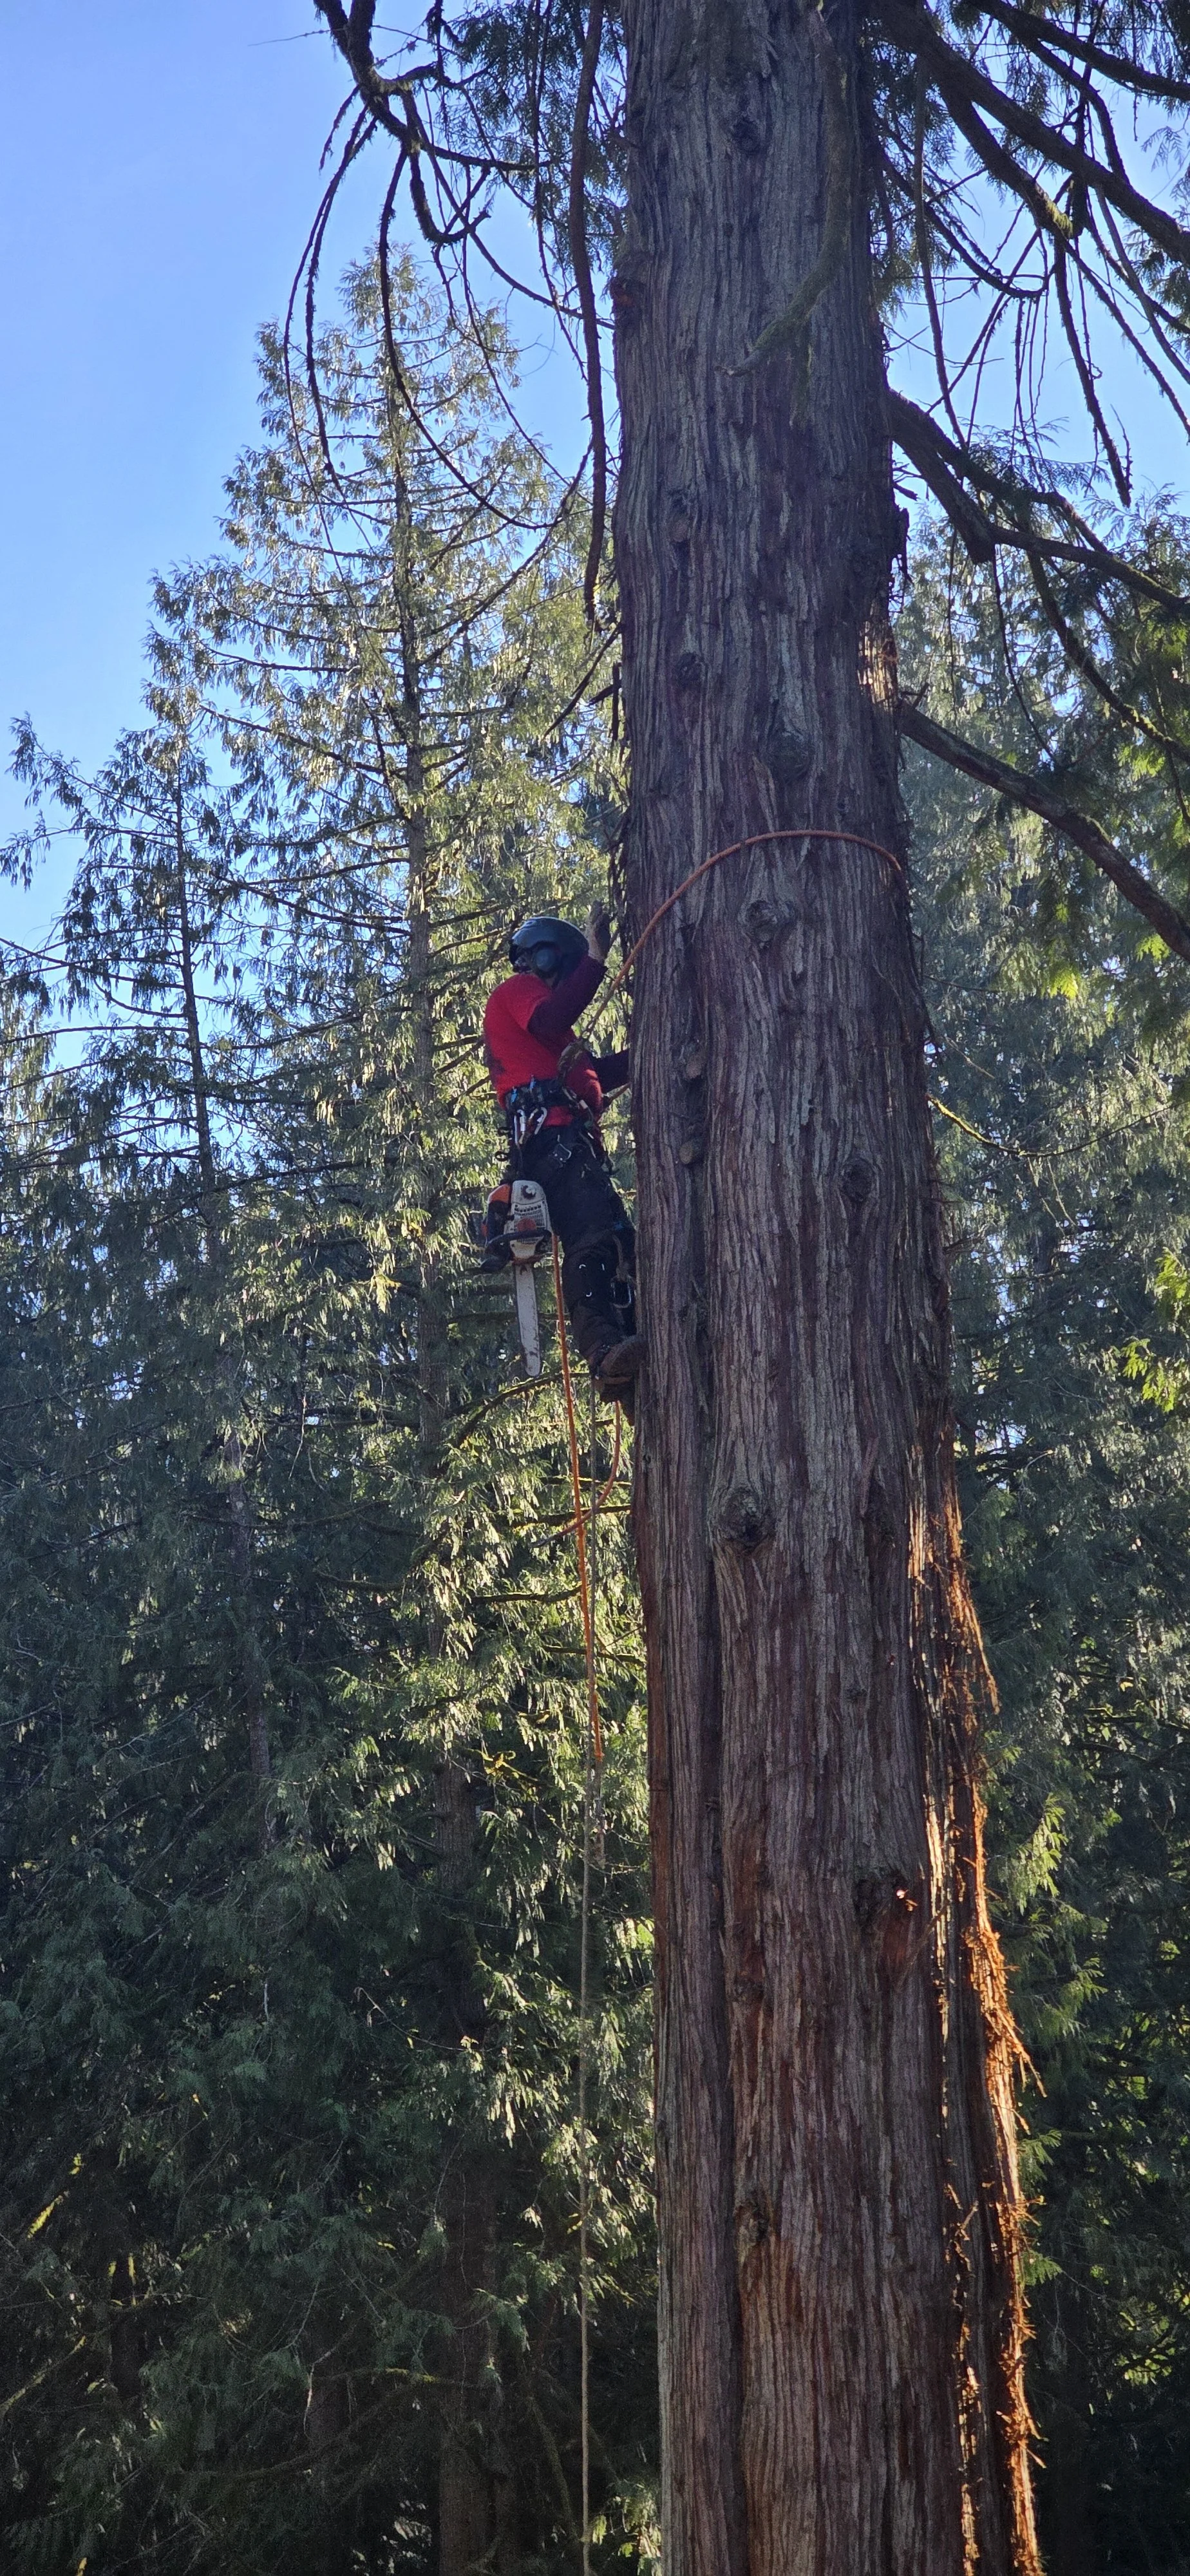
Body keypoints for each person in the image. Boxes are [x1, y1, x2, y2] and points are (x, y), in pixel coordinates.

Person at [483, 905, 643, 1401]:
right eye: (570, 971)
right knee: (594, 1239)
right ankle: (603, 1352)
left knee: (625, 1247)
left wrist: (654, 1044)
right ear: (547, 959)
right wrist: (596, 959)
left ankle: (634, 1345)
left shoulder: (555, 1042)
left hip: (569, 1147)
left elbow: (597, 1073)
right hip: (554, 1142)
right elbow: (555, 1015)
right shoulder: (519, 994)